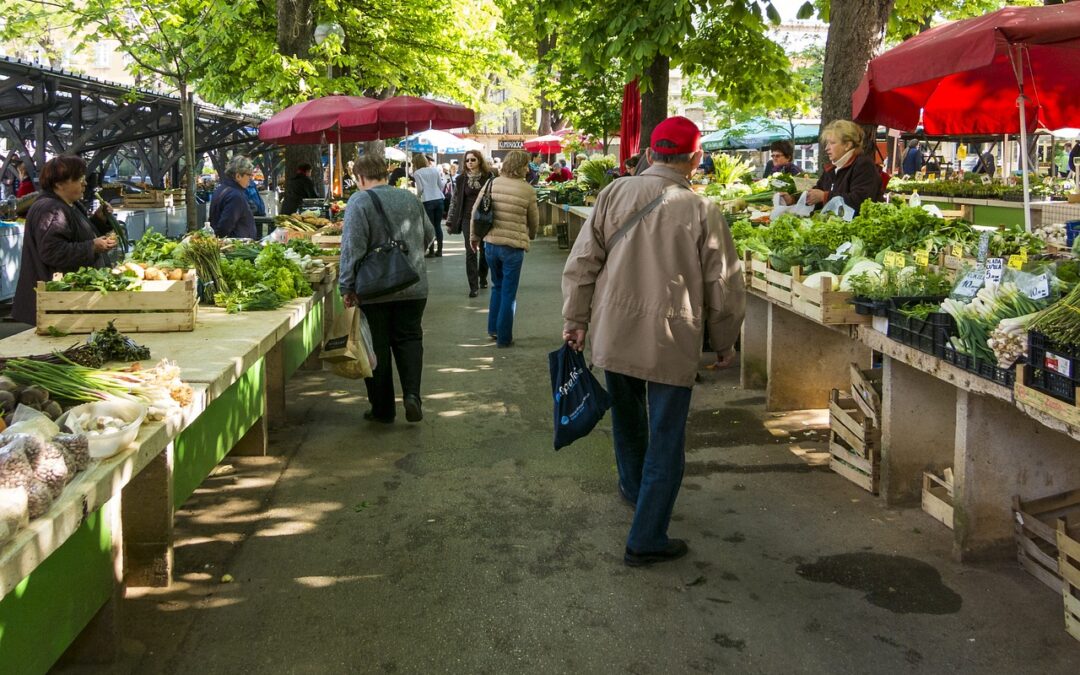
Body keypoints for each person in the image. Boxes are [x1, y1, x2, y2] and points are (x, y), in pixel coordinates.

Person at [561, 116, 745, 567]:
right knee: (666, 437)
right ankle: (646, 536)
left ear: (648, 154)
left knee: (627, 420)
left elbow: (583, 261)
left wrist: (575, 319)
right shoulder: (703, 210)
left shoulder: (613, 193)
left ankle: (633, 487)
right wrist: (724, 342)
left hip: (614, 329)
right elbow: (723, 285)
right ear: (696, 160)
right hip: (670, 337)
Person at [339, 152, 435, 424]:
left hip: (374, 289)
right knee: (410, 339)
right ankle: (413, 396)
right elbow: (428, 235)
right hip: (413, 284)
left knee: (376, 347)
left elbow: (352, 248)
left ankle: (382, 409)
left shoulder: (359, 201)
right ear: (385, 172)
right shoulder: (410, 198)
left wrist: (346, 286)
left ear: (359, 177)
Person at [12, 155, 118, 325]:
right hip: (55, 303)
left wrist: (99, 220)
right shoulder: (51, 209)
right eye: (78, 179)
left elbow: (76, 233)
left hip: (63, 301)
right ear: (59, 184)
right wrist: (92, 247)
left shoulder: (67, 204)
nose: (84, 183)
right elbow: (52, 252)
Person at [469, 150, 538, 347]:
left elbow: (476, 210)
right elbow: (534, 221)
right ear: (521, 167)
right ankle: (505, 338)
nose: (528, 168)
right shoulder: (527, 190)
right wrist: (530, 235)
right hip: (513, 248)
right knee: (509, 292)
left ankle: (493, 329)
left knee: (497, 287)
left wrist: (474, 237)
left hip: (491, 244)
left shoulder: (492, 183)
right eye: (526, 165)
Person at [779, 120, 884, 215]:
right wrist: (793, 199)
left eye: (832, 143)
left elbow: (860, 201)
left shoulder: (863, 165)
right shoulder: (833, 168)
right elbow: (817, 192)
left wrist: (825, 196)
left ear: (847, 145)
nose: (826, 148)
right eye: (827, 143)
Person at [446, 149, 493, 297]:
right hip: (467, 219)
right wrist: (450, 220)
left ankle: (483, 276)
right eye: (467, 160)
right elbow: (455, 200)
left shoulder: (489, 177)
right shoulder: (461, 179)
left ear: (479, 160)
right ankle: (473, 286)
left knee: (485, 250)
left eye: (473, 160)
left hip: (484, 218)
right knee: (470, 251)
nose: (470, 163)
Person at [209, 155, 257, 239]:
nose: (250, 178)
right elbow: (224, 227)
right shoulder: (236, 196)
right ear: (238, 176)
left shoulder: (221, 189)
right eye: (249, 175)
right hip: (236, 246)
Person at [411, 153, 447, 258]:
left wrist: (417, 197)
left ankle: (431, 251)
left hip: (427, 200)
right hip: (439, 199)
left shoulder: (417, 173)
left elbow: (420, 189)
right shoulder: (435, 170)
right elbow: (441, 185)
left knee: (429, 227)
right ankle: (440, 250)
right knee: (437, 226)